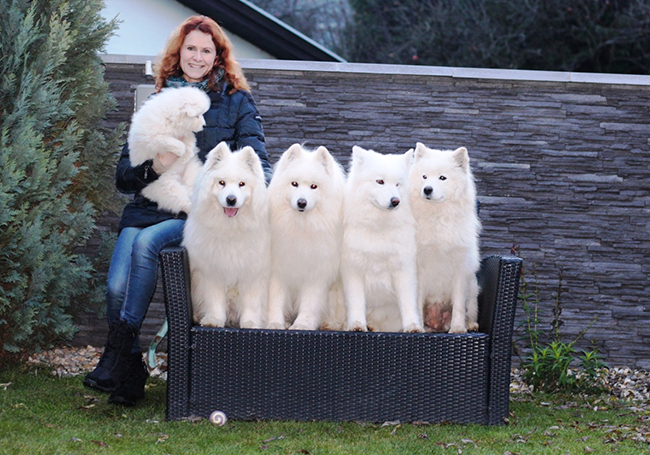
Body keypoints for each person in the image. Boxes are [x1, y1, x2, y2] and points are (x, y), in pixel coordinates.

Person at [83, 15, 272, 406]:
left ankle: (113, 357)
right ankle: (132, 370)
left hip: (197, 214)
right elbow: (124, 176)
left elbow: (258, 163)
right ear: (178, 52)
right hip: (145, 208)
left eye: (207, 50)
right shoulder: (157, 102)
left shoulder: (237, 101)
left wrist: (245, 199)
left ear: (218, 56)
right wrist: (157, 166)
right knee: (116, 285)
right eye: (191, 49)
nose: (198, 57)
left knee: (147, 245)